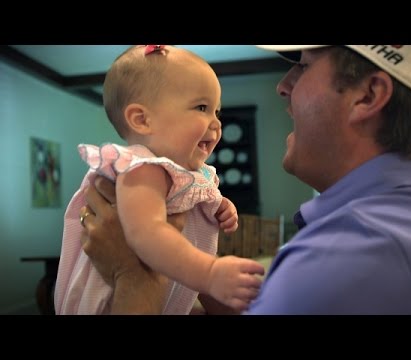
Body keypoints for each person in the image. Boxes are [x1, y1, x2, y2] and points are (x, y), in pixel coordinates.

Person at [80, 45, 411, 314]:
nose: (283, 86)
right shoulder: (398, 231)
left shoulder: (351, 257)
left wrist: (133, 277)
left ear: (367, 96)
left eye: (303, 67)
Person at [54, 45, 264, 315]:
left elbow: (186, 203)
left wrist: (219, 205)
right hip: (110, 300)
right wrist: (209, 274)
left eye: (216, 111)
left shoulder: (187, 172)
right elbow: (147, 231)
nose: (215, 123)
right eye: (201, 107)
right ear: (142, 120)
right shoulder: (141, 167)